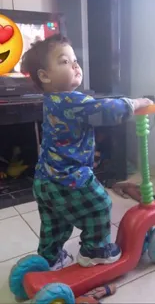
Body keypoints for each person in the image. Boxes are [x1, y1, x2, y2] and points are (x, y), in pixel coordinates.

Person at [21, 34, 153, 271]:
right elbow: (106, 109)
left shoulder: (52, 100)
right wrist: (136, 102)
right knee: (100, 204)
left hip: (45, 180)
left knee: (56, 222)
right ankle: (94, 251)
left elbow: (94, 105)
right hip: (69, 179)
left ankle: (49, 258)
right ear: (44, 75)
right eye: (64, 61)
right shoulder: (72, 101)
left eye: (74, 59)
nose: (75, 64)